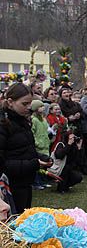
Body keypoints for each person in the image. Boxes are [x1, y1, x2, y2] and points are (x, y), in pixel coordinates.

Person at [0, 83, 52, 214]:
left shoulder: (22, 120)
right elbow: (3, 164)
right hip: (10, 186)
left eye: (30, 103)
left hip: (25, 182)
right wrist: (33, 163)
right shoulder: (3, 124)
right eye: (24, 104)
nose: (29, 107)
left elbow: (24, 148)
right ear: (10, 102)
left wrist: (39, 157)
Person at [31, 99, 51, 190]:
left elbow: (46, 130)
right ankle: (36, 182)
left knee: (45, 164)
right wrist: (37, 142)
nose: (43, 108)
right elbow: (32, 132)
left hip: (45, 144)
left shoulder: (43, 119)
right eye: (40, 106)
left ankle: (43, 181)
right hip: (38, 145)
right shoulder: (33, 120)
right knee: (38, 165)